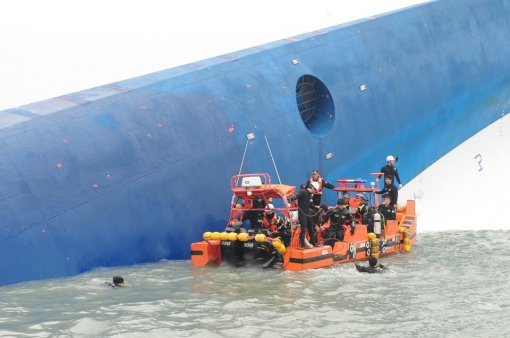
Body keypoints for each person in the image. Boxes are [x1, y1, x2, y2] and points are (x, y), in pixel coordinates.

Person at [289, 182, 320, 248]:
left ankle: (314, 243)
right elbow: (296, 196)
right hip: (302, 213)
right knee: (304, 228)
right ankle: (302, 244)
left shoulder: (310, 195)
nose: (315, 192)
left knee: (311, 228)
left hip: (307, 213)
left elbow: (311, 205)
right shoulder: (303, 192)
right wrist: (291, 199)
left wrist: (318, 209)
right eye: (315, 190)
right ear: (312, 188)